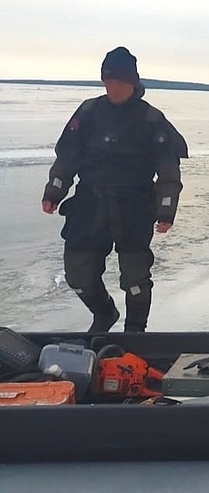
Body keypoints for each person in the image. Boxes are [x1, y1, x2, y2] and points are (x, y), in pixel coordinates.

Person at [41, 46, 188, 332]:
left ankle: (135, 331)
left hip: (133, 207)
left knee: (135, 279)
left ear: (133, 82)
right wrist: (53, 192)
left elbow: (169, 171)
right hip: (89, 205)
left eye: (119, 82)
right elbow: (67, 157)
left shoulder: (151, 119)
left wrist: (166, 209)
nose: (113, 87)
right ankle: (104, 313)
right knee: (78, 274)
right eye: (108, 81)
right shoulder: (88, 111)